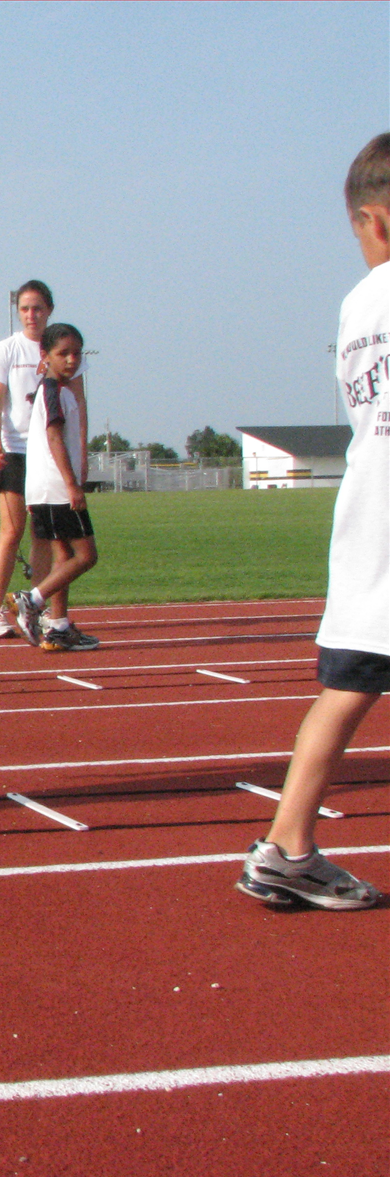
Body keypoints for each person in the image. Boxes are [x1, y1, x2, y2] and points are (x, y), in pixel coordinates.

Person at [235, 133, 388, 911]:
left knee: (346, 685)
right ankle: (286, 848)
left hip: (369, 515)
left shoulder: (357, 305)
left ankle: (287, 846)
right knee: (350, 685)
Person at [0, 282, 95, 645]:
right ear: (18, 311)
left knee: (45, 539)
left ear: (49, 309)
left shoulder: (65, 346)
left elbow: (80, 404)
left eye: (38, 308)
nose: (32, 315)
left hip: (49, 454)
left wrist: (83, 454)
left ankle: (40, 608)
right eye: (25, 308)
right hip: (17, 448)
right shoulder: (8, 349)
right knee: (11, 532)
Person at [11, 324, 99, 651]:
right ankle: (30, 600)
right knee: (86, 556)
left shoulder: (54, 390)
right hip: (57, 488)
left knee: (63, 556)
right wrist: (72, 483)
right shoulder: (54, 391)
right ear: (45, 356)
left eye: (77, 353)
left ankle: (59, 628)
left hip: (42, 489)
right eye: (63, 354)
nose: (72, 360)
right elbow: (54, 437)